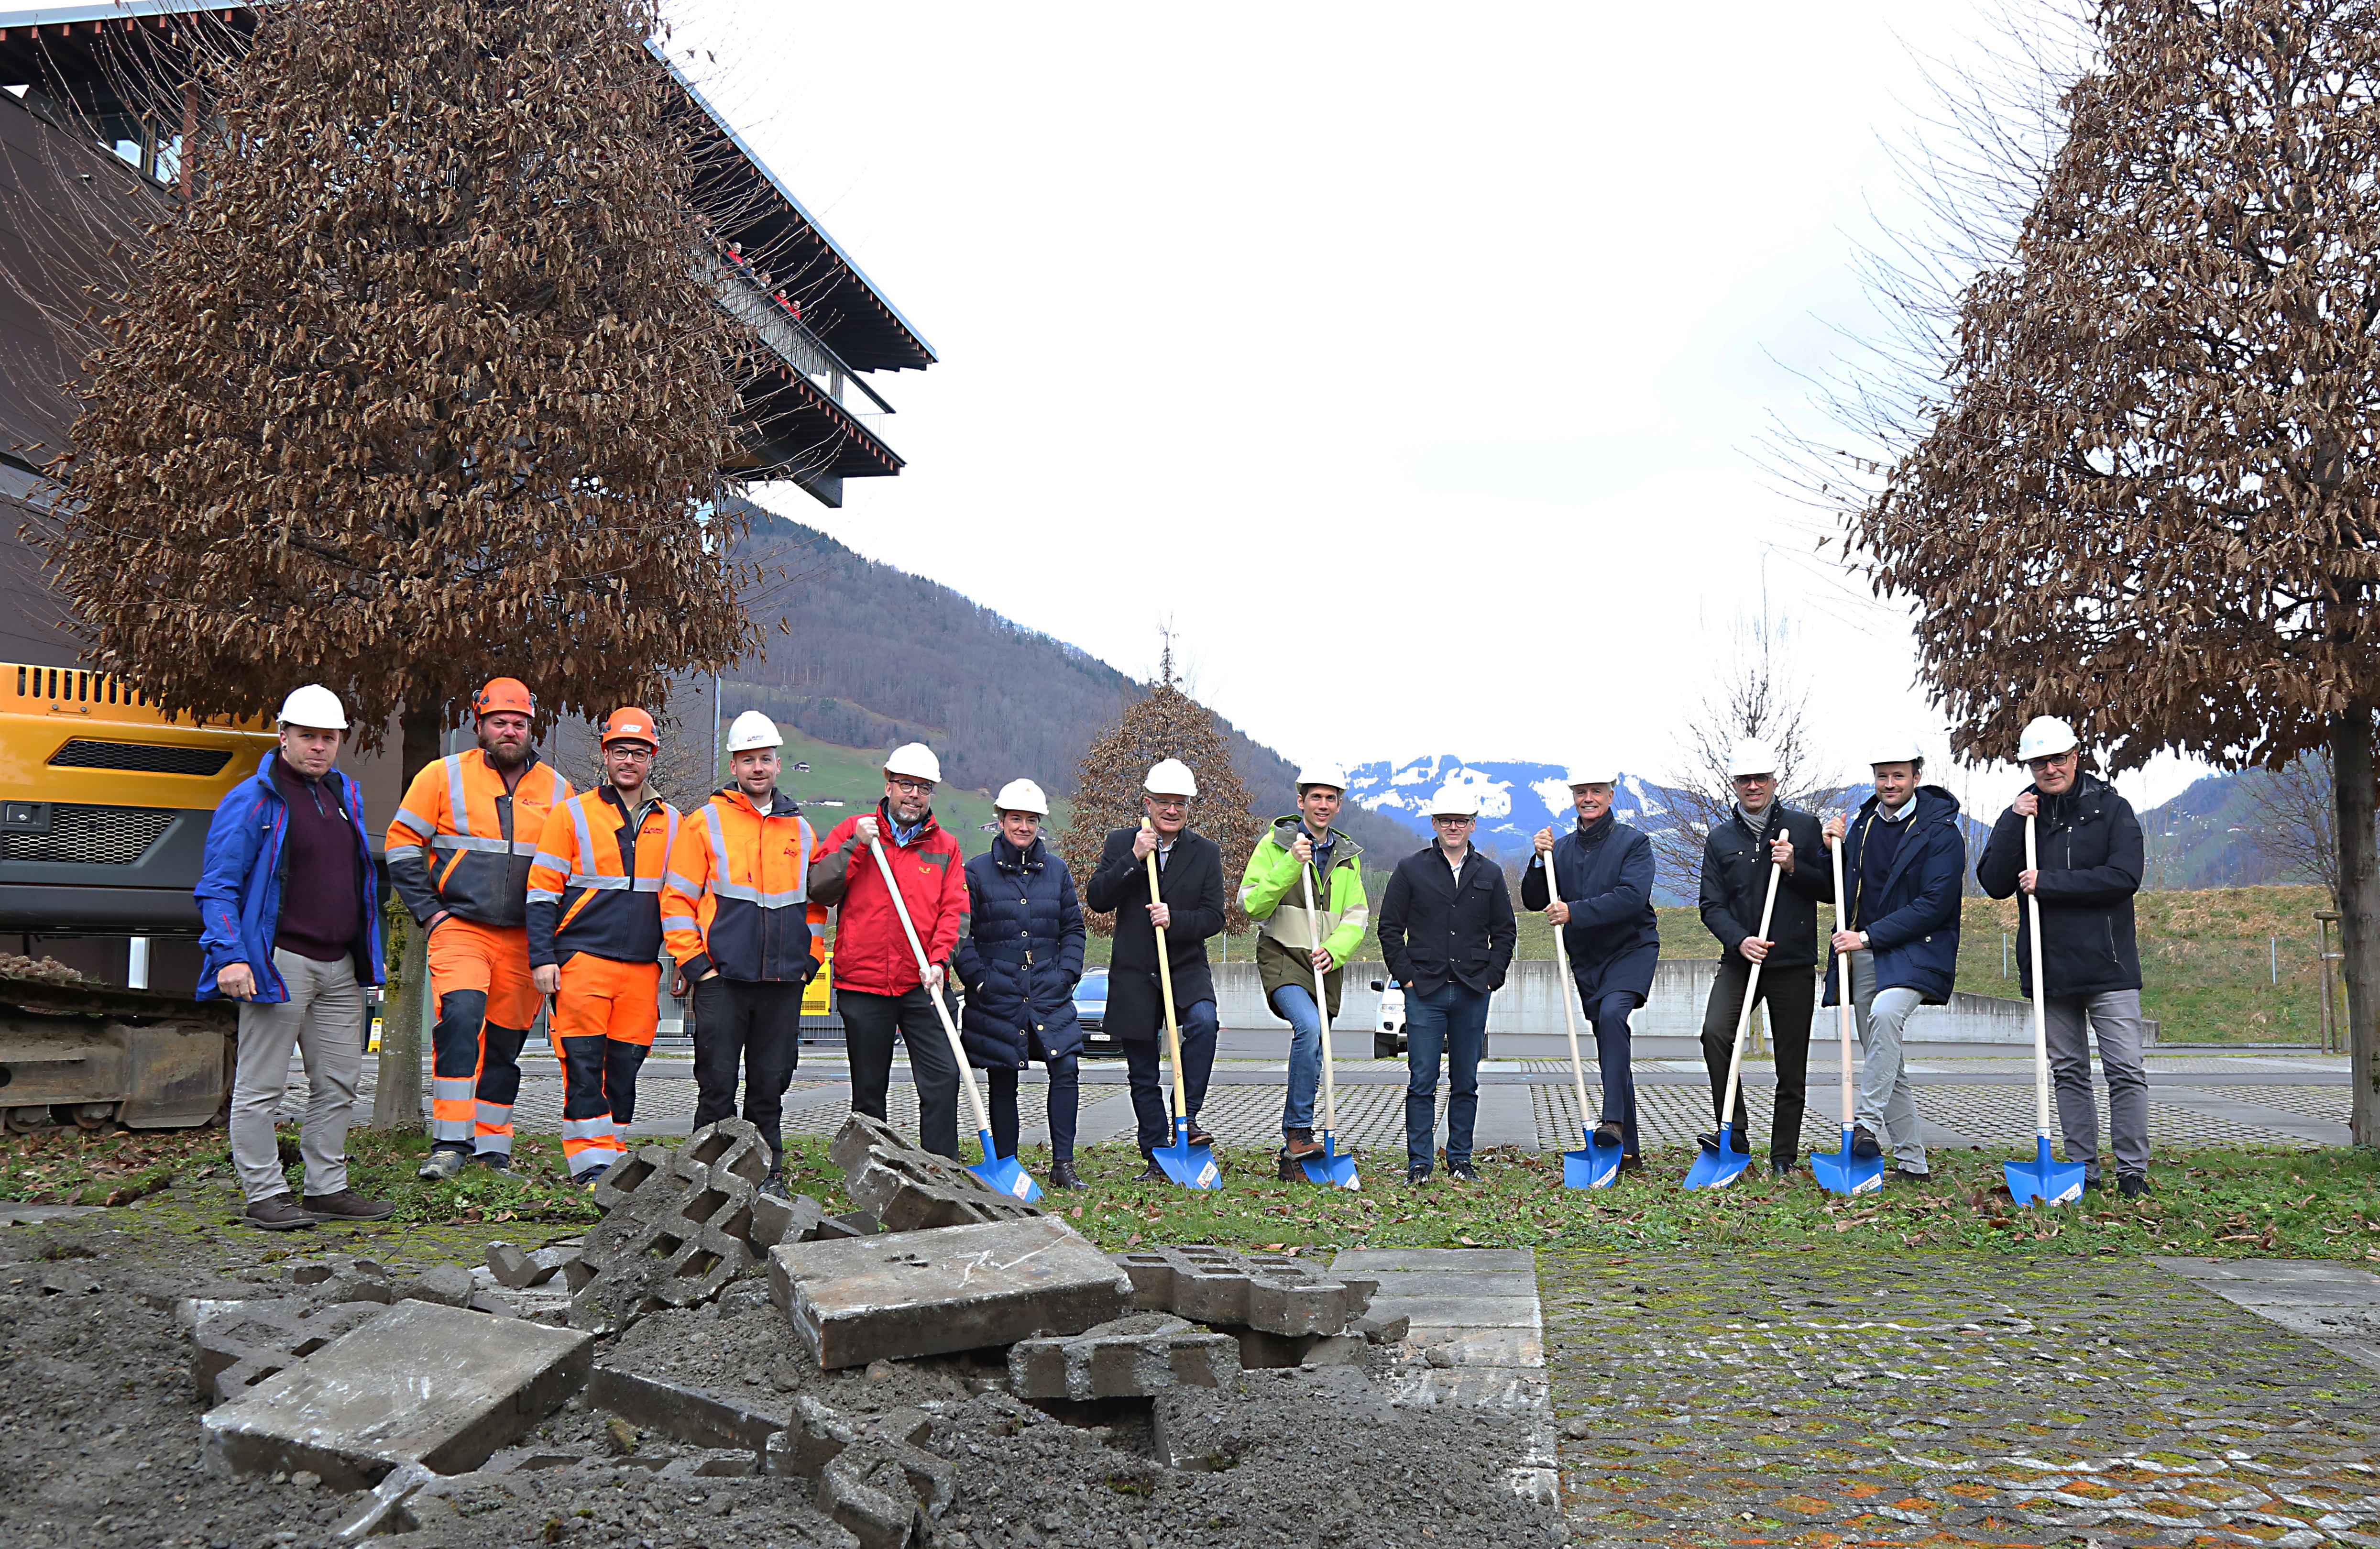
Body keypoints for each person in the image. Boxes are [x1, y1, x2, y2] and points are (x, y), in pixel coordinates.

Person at [196, 684, 391, 1230]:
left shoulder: (343, 794)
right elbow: (217, 886)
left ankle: (325, 1188)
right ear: (283, 736)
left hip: (340, 966)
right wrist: (231, 956)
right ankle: (264, 1193)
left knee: (339, 1082)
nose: (319, 747)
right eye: (307, 736)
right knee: (261, 1085)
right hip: (278, 963)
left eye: (329, 738)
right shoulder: (254, 798)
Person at [388, 677, 573, 1179]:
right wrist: (431, 912)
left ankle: (493, 1151)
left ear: (532, 728)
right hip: (460, 926)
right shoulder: (441, 775)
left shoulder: (559, 790)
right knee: (461, 1021)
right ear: (480, 725)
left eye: (519, 723)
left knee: (505, 1045)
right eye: (499, 722)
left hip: (522, 939)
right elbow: (402, 845)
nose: (509, 730)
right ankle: (449, 1143)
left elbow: (569, 868)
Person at [1976, 715, 2150, 1197]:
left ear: (2077, 756)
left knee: (2125, 1068)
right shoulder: (2024, 817)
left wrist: (2049, 883)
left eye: (2058, 758)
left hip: (2109, 965)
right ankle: (2083, 1169)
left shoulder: (2112, 809)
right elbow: (1991, 882)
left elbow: (2123, 876)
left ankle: (2133, 1170)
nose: (2050, 768)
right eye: (2039, 762)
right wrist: (2013, 819)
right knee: (2069, 1071)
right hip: (2049, 964)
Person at [661, 711, 825, 1191]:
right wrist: (696, 966)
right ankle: (707, 1177)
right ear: (733, 766)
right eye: (748, 759)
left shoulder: (802, 831)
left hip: (782, 982)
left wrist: (809, 961)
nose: (758, 767)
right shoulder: (703, 823)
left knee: (770, 1084)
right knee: (716, 1082)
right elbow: (676, 899)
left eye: (766, 759)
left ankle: (767, 1174)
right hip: (722, 981)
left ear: (778, 765)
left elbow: (815, 908)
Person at [527, 708, 680, 1188]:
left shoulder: (674, 822)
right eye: (620, 751)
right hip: (582, 960)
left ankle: (612, 1157)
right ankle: (588, 1163)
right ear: (605, 754)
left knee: (627, 1065)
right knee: (583, 1060)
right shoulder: (571, 813)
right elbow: (541, 891)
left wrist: (680, 958)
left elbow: (682, 898)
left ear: (651, 757)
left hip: (641, 966)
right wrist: (543, 957)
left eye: (638, 752)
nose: (629, 760)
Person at [808, 742, 966, 1161]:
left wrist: (938, 960)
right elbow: (820, 888)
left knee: (942, 1078)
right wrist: (856, 847)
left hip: (923, 984)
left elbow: (954, 912)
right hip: (863, 983)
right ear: (888, 783)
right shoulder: (853, 830)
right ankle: (870, 1167)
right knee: (869, 1087)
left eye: (923, 788)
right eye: (905, 785)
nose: (913, 795)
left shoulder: (945, 846)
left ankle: (941, 1170)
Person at [1821, 738, 1965, 1185]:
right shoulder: (1862, 827)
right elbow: (1840, 892)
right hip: (1864, 949)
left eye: (1898, 775)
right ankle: (1913, 1164)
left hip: (1916, 950)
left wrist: (1867, 936)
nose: (1889, 783)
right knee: (1886, 1059)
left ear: (1916, 777)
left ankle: (1863, 1124)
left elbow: (1935, 903)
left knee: (1885, 1018)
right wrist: (1830, 850)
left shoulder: (1940, 832)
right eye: (1882, 775)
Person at [1084, 758, 1227, 1181]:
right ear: (1147, 803)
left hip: (1183, 967)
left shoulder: (1205, 853)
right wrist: (1133, 858)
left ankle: (1188, 1116)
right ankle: (1155, 1154)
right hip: (1134, 970)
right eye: (1163, 802)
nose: (1171, 810)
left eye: (1179, 804)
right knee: (1142, 1068)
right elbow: (1097, 898)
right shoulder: (1120, 843)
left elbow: (1214, 917)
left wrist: (1174, 919)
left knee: (1204, 1022)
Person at [1696, 737, 1830, 1179]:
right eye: (1744, 779)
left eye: (1760, 778)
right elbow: (1710, 905)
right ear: (1733, 783)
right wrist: (1740, 941)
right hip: (1741, 961)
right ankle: (1733, 1132)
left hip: (1792, 962)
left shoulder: (1803, 827)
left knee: (1791, 1062)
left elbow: (1831, 889)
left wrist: (1795, 867)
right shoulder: (1719, 839)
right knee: (1715, 1032)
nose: (1753, 785)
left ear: (1774, 781)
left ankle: (1783, 1155)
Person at [1375, 786, 1515, 1185]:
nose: (1453, 827)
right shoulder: (1410, 869)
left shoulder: (1489, 873)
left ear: (1472, 824)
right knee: (1422, 1079)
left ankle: (1460, 1159)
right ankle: (1419, 1163)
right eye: (1445, 820)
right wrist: (1406, 977)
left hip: (1473, 990)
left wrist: (1492, 977)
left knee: (1466, 1080)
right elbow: (1388, 928)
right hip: (1425, 991)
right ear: (1434, 824)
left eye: (1460, 820)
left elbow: (1505, 931)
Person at [953, 779, 1089, 1190]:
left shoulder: (1058, 871)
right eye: (1016, 818)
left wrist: (1067, 974)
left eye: (1031, 819)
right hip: (997, 990)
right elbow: (961, 936)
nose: (1024, 827)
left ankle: (1063, 1164)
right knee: (1002, 1076)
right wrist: (979, 981)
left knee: (1065, 1068)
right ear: (1001, 820)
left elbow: (1074, 929)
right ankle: (1007, 1164)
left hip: (1049, 987)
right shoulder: (975, 871)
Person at [1522, 763, 1658, 1170]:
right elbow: (1533, 899)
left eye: (1596, 791)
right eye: (1581, 792)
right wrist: (1537, 859)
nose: (1588, 798)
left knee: (1615, 1015)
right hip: (1587, 959)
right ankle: (1628, 1151)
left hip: (1631, 949)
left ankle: (1612, 1122)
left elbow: (1632, 897)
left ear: (1611, 795)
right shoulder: (1560, 849)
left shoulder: (1634, 843)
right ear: (1573, 797)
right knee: (1609, 1040)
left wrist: (1573, 912)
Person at [1240, 763, 1370, 1178]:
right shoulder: (1274, 845)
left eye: (1331, 798)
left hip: (1323, 964)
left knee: (1319, 1050)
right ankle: (1297, 1129)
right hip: (1282, 959)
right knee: (1309, 1029)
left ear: (1339, 804)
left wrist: (1336, 951)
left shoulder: (1348, 858)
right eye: (1316, 796)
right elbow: (1252, 905)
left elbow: (1357, 916)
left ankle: (1294, 1157)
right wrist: (1290, 866)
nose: (1323, 804)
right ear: (1301, 801)